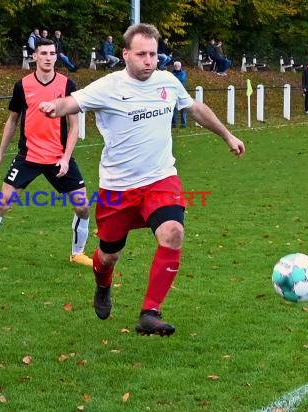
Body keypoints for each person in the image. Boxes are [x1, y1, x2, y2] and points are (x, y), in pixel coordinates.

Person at [39, 23, 245, 336]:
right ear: (125, 55)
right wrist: (55, 107)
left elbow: (195, 109)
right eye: (141, 54)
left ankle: (150, 312)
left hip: (160, 179)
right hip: (117, 189)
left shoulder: (167, 81)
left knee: (173, 232)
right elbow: (74, 102)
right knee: (109, 256)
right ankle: (103, 284)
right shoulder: (108, 86)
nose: (149, 60)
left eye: (153, 53)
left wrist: (227, 135)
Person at [0, 38, 92, 266]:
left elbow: (74, 125)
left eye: (52, 53)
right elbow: (12, 121)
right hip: (28, 157)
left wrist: (66, 158)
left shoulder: (68, 85)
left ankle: (77, 253)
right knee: (1, 203)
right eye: (43, 53)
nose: (48, 57)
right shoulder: (22, 85)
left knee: (82, 205)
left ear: (57, 57)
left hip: (58, 158)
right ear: (34, 56)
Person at [171, 61, 187, 128]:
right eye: (175, 66)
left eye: (178, 66)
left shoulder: (183, 73)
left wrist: (173, 79)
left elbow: (181, 79)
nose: (177, 67)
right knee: (174, 109)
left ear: (180, 67)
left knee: (183, 109)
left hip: (182, 93)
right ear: (174, 66)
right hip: (173, 93)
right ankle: (174, 124)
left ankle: (183, 124)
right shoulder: (172, 73)